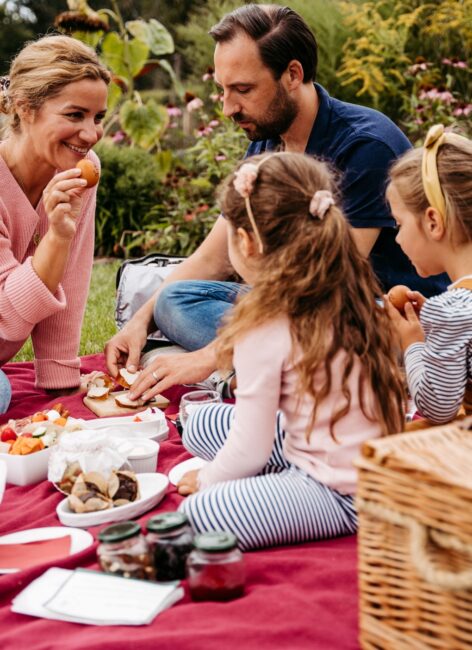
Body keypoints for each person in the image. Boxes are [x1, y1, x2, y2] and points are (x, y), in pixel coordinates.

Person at [106, 3, 447, 401]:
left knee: (315, 327)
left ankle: (254, 373)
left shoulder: (365, 145)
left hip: (373, 316)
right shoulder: (266, 140)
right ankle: (274, 367)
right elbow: (214, 256)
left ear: (292, 74)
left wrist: (212, 356)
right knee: (173, 300)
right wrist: (140, 321)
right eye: (222, 89)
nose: (228, 107)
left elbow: (327, 289)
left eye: (243, 90)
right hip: (299, 306)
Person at [175, 152, 405, 550]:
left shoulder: (264, 324)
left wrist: (209, 480)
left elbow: (250, 449)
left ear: (246, 242)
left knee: (198, 516)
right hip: (355, 454)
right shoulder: (358, 293)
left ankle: (275, 489)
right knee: (200, 422)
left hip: (344, 493)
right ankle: (272, 482)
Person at [0, 35, 110, 408]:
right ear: (25, 107)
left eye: (98, 118)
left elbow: (73, 275)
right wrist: (55, 241)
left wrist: (61, 377)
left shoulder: (82, 169)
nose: (91, 134)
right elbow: (5, 321)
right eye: (74, 115)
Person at [385, 124, 472, 425]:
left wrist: (412, 341)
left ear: (433, 221)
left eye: (398, 224)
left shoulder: (450, 310)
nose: (397, 239)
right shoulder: (451, 309)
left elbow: (436, 407)